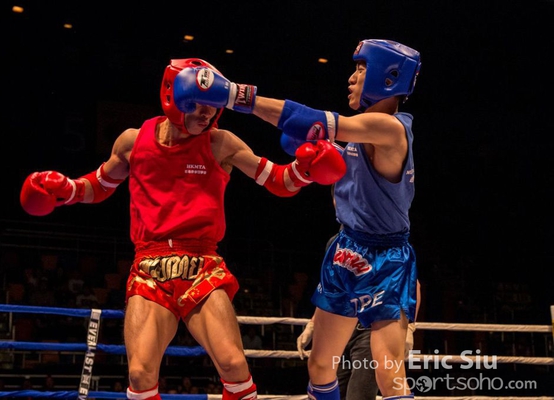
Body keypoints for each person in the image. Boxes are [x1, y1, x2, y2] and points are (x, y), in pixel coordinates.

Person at [19, 58, 346, 400]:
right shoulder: (132, 141)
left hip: (202, 265)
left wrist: (305, 170)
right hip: (149, 267)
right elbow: (100, 185)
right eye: (199, 104)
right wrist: (66, 190)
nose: (207, 114)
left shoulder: (221, 142)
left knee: (234, 364)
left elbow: (278, 181)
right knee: (140, 373)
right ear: (173, 98)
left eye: (213, 106)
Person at [172, 39, 422, 399]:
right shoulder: (359, 135)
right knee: (320, 367)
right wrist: (321, 155)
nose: (352, 78)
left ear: (387, 76)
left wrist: (233, 95)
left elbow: (310, 120)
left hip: (386, 259)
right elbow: (337, 167)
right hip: (347, 247)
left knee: (388, 373)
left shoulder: (390, 129)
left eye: (361, 69)